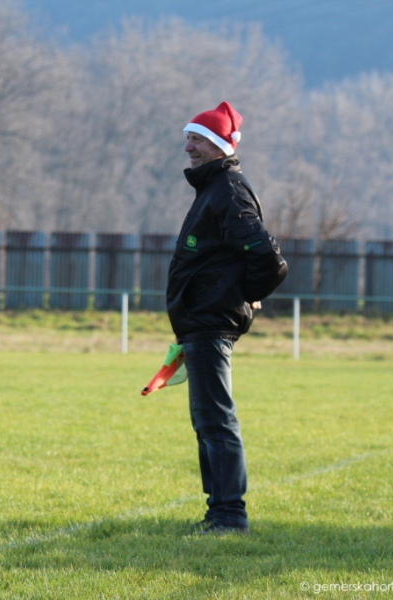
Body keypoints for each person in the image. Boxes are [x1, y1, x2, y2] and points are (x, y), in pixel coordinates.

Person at [166, 102, 288, 535]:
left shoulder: (229, 190)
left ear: (218, 146)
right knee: (208, 424)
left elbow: (268, 257)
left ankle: (230, 517)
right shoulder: (214, 189)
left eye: (196, 140)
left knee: (217, 422)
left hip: (211, 323)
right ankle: (218, 512)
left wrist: (249, 294)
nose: (188, 148)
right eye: (189, 138)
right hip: (200, 324)